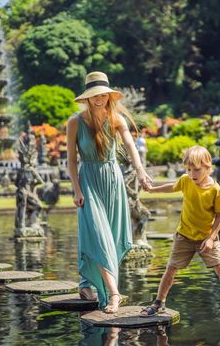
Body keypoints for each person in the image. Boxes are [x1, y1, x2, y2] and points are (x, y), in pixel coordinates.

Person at [67, 71, 152, 313]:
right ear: (87, 97)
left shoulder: (117, 119)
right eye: (94, 95)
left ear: (108, 95)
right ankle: (114, 294)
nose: (99, 99)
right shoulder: (75, 122)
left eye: (102, 95)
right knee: (98, 235)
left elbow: (130, 147)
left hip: (113, 181)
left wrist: (141, 171)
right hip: (89, 181)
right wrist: (75, 189)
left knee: (112, 238)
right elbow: (71, 161)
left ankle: (85, 284)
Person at [140, 146, 220, 320]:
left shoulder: (215, 189)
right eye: (189, 169)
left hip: (207, 237)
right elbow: (172, 187)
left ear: (207, 167)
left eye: (196, 170)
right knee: (171, 268)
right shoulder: (186, 180)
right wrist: (153, 190)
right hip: (184, 236)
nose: (192, 174)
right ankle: (159, 303)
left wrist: (212, 238)